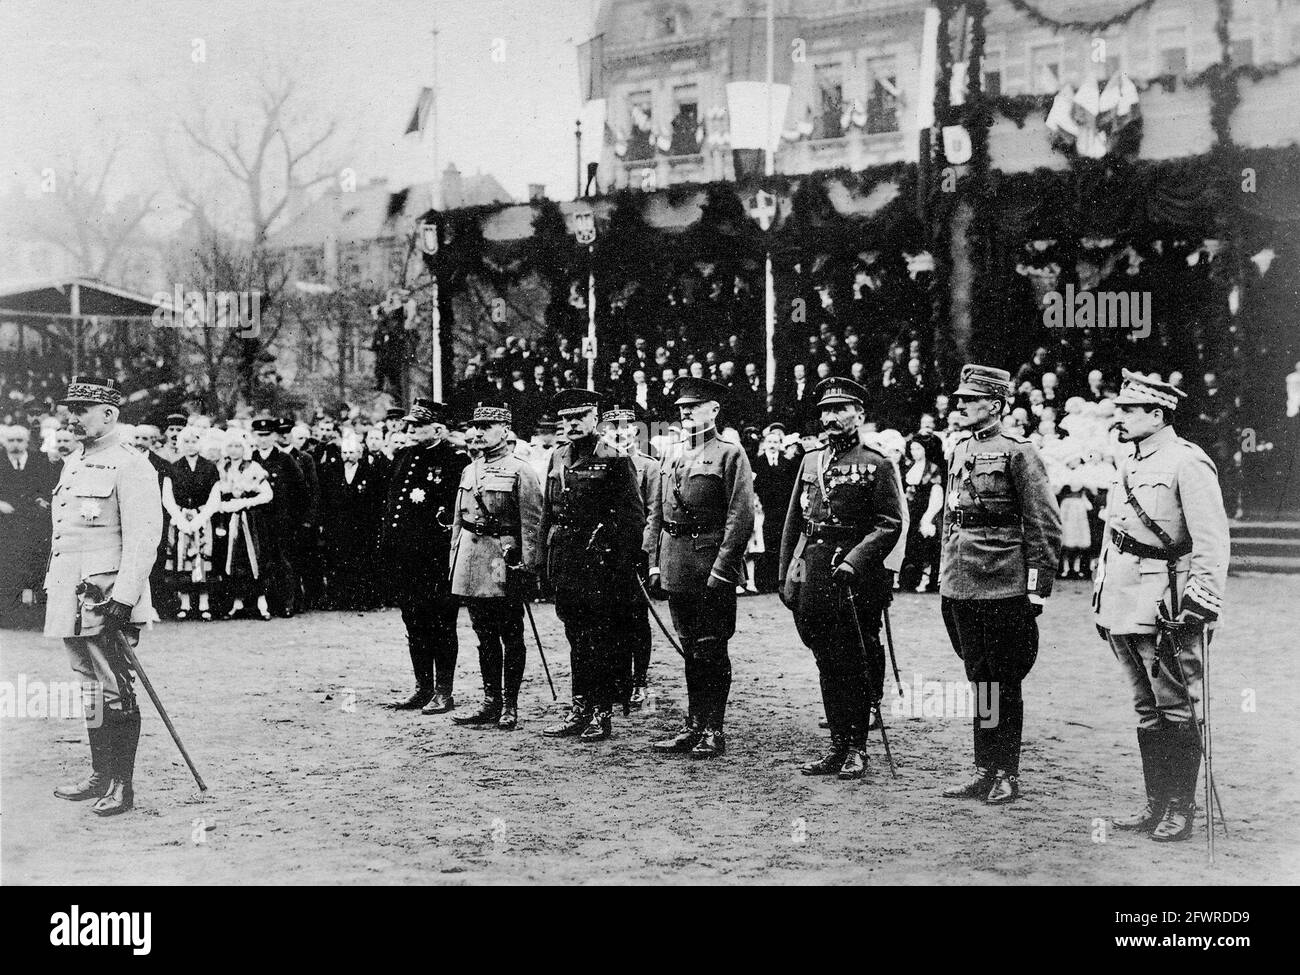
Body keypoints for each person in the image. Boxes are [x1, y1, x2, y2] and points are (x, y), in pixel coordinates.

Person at [1094, 370, 1230, 842]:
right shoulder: (1128, 459)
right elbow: (1116, 534)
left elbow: (1212, 539)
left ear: (1158, 414)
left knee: (1176, 705)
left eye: (1130, 410)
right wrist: (1101, 594)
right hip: (1123, 597)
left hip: (1166, 599)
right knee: (1144, 706)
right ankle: (1155, 804)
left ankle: (1180, 808)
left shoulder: (1187, 461)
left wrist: (1201, 602)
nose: (1121, 417)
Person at [939, 365, 1062, 805]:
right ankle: (983, 767)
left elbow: (1043, 522)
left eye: (969, 400)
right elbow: (952, 520)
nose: (961, 406)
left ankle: (1006, 771)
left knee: (1004, 679)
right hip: (962, 581)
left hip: (1003, 580)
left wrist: (1036, 586)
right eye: (959, 400)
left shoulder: (1019, 452)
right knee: (980, 679)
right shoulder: (957, 449)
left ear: (994, 404)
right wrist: (945, 578)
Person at [46, 377, 163, 817]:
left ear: (109, 414)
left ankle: (121, 785)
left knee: (116, 689)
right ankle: (99, 773)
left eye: (81, 410)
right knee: (89, 688)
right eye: (69, 410)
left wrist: (124, 599)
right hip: (71, 596)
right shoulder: (74, 461)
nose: (71, 418)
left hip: (107, 597)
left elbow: (143, 538)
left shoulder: (132, 465)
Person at [778, 377, 903, 780]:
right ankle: (836, 745)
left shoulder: (877, 462)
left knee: (855, 659)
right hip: (814, 570)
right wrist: (786, 575)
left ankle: (857, 748)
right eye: (825, 411)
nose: (830, 418)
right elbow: (795, 521)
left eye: (840, 410)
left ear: (860, 416)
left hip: (855, 577)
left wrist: (855, 561)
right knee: (826, 660)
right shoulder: (810, 460)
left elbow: (889, 524)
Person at [647, 377, 755, 759]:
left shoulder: (730, 453)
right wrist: (654, 562)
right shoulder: (670, 454)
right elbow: (657, 512)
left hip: (711, 563)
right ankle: (693, 724)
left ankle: (714, 728)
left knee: (712, 646)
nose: (686, 411)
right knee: (690, 646)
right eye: (681, 407)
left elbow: (740, 517)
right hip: (676, 560)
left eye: (694, 405)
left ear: (714, 409)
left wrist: (725, 568)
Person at [537, 391, 645, 742]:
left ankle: (601, 712)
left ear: (595, 418)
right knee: (575, 635)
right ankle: (579, 707)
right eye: (565, 419)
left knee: (601, 637)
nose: (570, 425)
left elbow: (632, 516)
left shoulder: (614, 456)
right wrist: (541, 561)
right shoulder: (557, 457)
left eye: (578, 417)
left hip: (600, 563)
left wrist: (617, 555)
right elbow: (547, 514)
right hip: (566, 559)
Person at [449, 403, 543, 731]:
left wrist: (528, 566)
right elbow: (458, 522)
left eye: (487, 426)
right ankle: (490, 701)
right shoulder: (469, 470)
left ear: (504, 430)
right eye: (476, 426)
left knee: (510, 633)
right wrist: (454, 563)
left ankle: (510, 703)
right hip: (472, 559)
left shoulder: (521, 469)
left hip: (502, 560)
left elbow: (532, 523)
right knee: (483, 633)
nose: (478, 432)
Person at [377, 399, 469, 712]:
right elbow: (392, 507)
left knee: (442, 623)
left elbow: (454, 513)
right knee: (413, 622)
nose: (410, 429)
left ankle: (444, 691)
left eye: (418, 425)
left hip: (435, 559)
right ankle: (422, 687)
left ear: (439, 428)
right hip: (405, 558)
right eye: (410, 424)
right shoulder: (404, 455)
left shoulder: (455, 459)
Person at [599, 401, 661, 707]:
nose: (619, 434)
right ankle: (617, 679)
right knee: (609, 618)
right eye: (611, 429)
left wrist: (645, 554)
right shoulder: (598, 464)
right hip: (605, 552)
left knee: (637, 619)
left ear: (635, 431)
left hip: (634, 552)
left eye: (625, 428)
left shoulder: (649, 466)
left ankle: (639, 681)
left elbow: (653, 513)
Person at [212, 431, 274, 620]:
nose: (234, 450)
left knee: (254, 558)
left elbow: (267, 494)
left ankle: (262, 604)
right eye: (230, 446)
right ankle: (236, 603)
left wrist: (245, 503)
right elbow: (216, 494)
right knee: (231, 559)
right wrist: (224, 505)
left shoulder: (254, 467)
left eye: (238, 446)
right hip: (229, 519)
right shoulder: (221, 468)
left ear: (244, 448)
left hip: (251, 519)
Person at [161, 427, 221, 620]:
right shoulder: (173, 467)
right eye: (185, 442)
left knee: (201, 558)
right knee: (182, 559)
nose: (190, 446)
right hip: (180, 520)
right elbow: (167, 497)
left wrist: (199, 519)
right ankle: (185, 603)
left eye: (193, 441)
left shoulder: (210, 467)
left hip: (202, 519)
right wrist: (180, 520)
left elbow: (214, 497)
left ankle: (204, 603)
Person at [318, 435, 384, 610]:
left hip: (361, 526)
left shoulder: (369, 471)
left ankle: (361, 600)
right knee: (336, 562)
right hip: (337, 525)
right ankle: (337, 599)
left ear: (360, 453)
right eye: (344, 452)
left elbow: (376, 500)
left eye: (352, 452)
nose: (348, 456)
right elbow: (325, 498)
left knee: (361, 563)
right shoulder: (331, 471)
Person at [0, 424, 56, 625]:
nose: (15, 445)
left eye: (19, 440)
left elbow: (48, 486)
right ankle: (8, 616)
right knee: (7, 567)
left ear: (27, 441)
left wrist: (41, 499)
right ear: (4, 442)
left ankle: (39, 618)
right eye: (11, 440)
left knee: (37, 566)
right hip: (5, 524)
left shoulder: (40, 460)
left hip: (34, 524)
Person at [250, 416, 305, 617]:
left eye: (267, 435)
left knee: (283, 562)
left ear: (274, 436)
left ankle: (287, 603)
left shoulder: (284, 459)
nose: (263, 440)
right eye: (259, 435)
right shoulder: (250, 459)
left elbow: (300, 490)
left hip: (281, 520)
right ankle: (265, 603)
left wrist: (294, 517)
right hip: (257, 520)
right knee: (262, 561)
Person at [752, 421, 799, 594]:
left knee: (782, 545)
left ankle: (781, 582)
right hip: (764, 511)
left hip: (782, 511)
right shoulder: (757, 463)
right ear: (764, 445)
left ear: (780, 445)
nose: (772, 446)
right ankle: (764, 583)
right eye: (769, 442)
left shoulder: (787, 465)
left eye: (775, 442)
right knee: (765, 547)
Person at [898, 438, 944, 592]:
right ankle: (908, 580)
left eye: (918, 449)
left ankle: (927, 580)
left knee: (927, 545)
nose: (915, 452)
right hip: (909, 512)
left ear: (925, 450)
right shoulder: (908, 468)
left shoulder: (932, 469)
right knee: (909, 546)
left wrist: (928, 517)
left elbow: (937, 494)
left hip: (926, 511)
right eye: (912, 449)